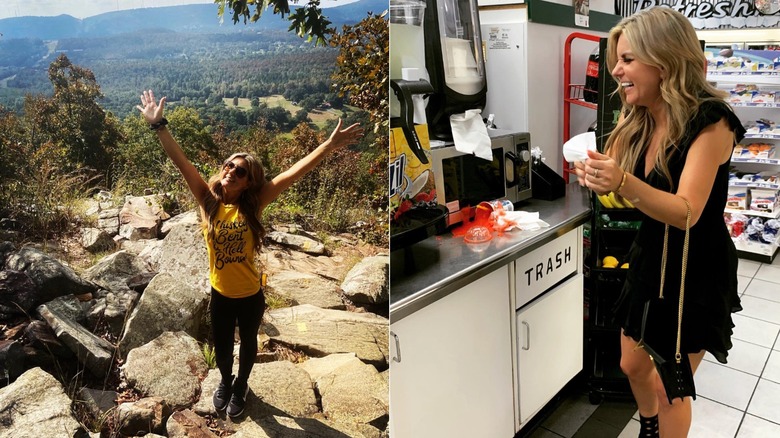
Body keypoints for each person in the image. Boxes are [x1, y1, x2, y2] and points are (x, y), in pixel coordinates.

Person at [136, 90, 363, 418]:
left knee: (248, 345)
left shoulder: (254, 203)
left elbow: (293, 173)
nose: (230, 171)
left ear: (248, 182)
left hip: (251, 294)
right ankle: (226, 381)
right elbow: (181, 161)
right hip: (220, 293)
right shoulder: (208, 201)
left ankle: (241, 383)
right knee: (224, 348)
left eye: (239, 171)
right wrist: (159, 125)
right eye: (228, 165)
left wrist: (328, 146)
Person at [573, 7, 745, 438]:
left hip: (694, 272)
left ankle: (657, 427)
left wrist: (624, 181)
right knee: (631, 362)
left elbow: (686, 212)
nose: (615, 70)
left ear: (664, 59)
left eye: (627, 59)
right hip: (651, 256)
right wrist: (603, 182)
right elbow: (634, 197)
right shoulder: (644, 117)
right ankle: (648, 424)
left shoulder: (712, 121)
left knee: (673, 389)